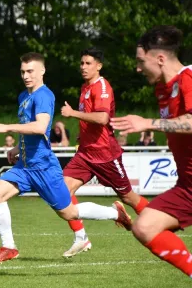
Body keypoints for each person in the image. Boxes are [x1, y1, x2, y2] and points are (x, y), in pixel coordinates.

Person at [0, 52, 133, 266]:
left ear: (42, 71)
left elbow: (40, 127)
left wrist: (6, 127)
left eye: (30, 71)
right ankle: (9, 247)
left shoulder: (44, 96)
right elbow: (31, 130)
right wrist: (18, 148)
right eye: (23, 72)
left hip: (44, 167)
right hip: (25, 166)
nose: (26, 76)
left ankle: (114, 213)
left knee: (69, 213)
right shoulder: (23, 96)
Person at [111, 25, 192, 288]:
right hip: (188, 186)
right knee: (144, 227)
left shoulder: (189, 79)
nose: (137, 68)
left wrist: (148, 123)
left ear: (159, 58)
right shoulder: (163, 88)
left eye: (140, 61)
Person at [59, 48, 150, 258]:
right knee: (61, 192)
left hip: (105, 154)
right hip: (85, 154)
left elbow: (102, 118)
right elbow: (91, 118)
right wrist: (83, 134)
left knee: (128, 197)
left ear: (99, 66)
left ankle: (160, 225)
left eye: (88, 63)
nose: (83, 67)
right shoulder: (85, 87)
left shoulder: (102, 86)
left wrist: (73, 113)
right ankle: (81, 238)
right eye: (81, 63)